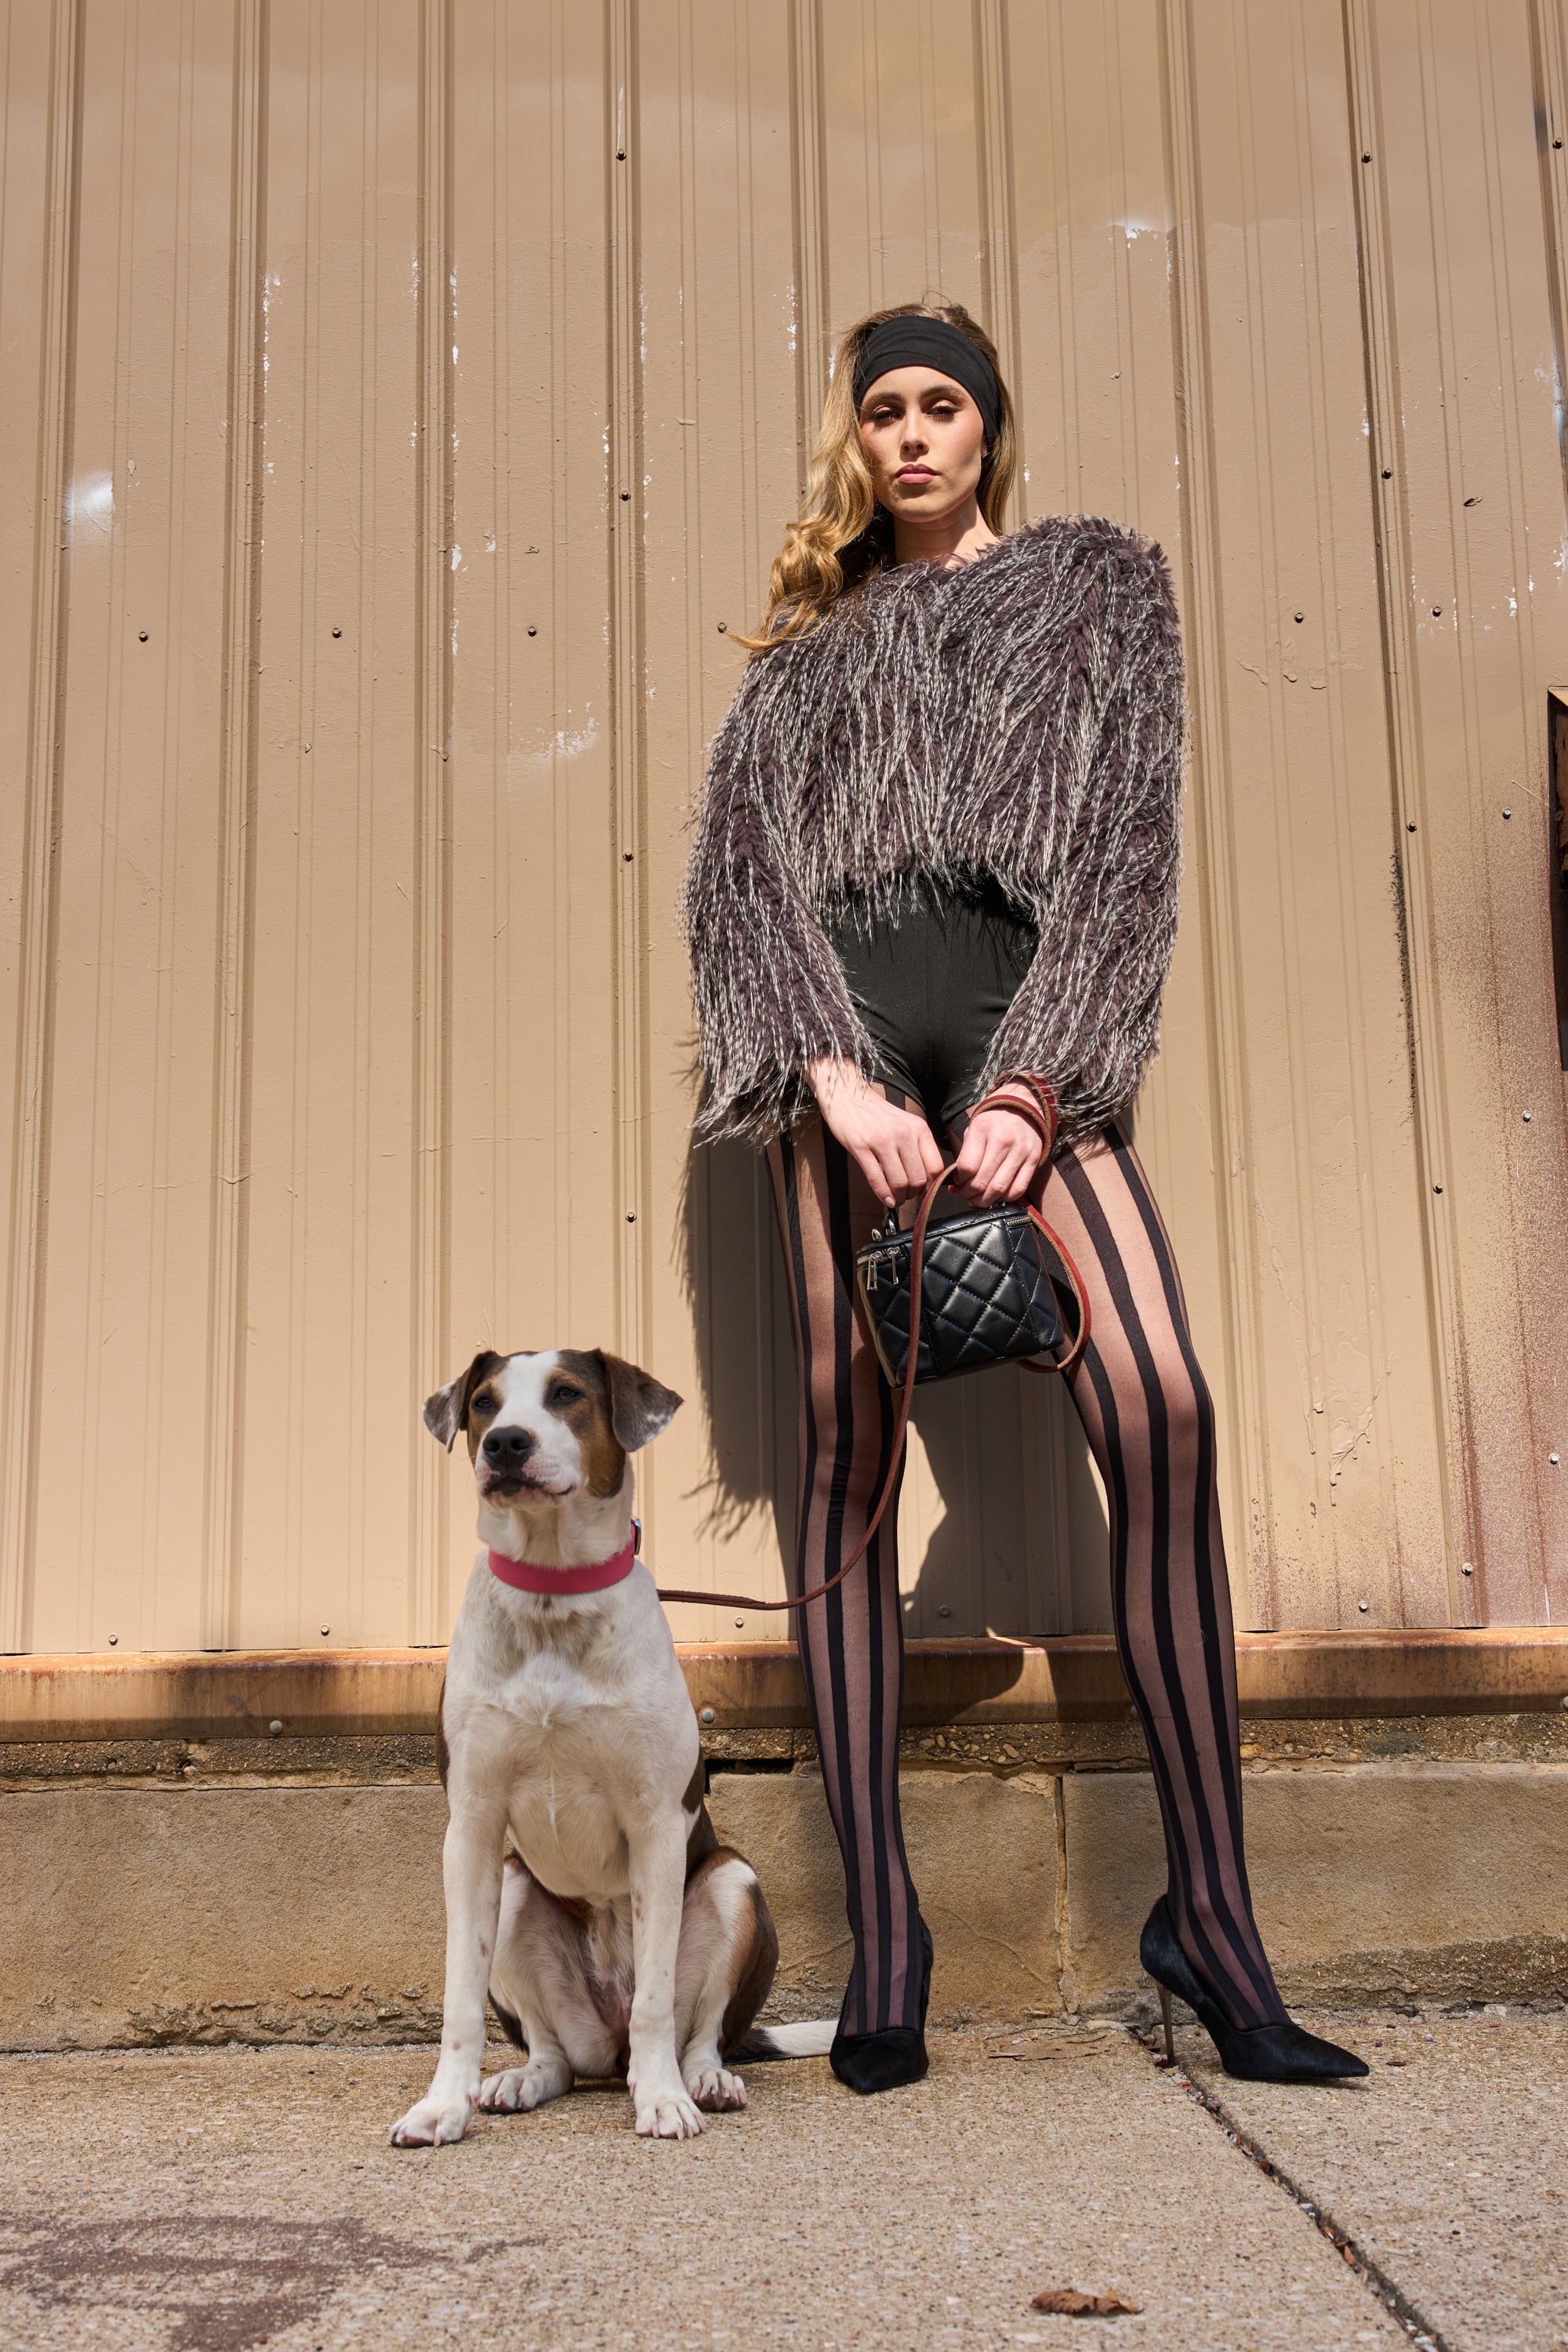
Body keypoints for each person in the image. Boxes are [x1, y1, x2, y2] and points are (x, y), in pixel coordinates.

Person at [682, 299, 1366, 2095]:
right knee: (843, 1476)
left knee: (1162, 1406)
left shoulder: (1096, 595)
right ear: (856, 439)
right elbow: (738, 881)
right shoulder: (805, 651)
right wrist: (825, 1075)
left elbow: (1129, 847)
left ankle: (1212, 1925)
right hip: (845, 1066)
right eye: (883, 411)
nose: (912, 434)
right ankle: (887, 1939)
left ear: (988, 426)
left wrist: (1036, 1083)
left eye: (942, 405)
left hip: (1020, 1040)